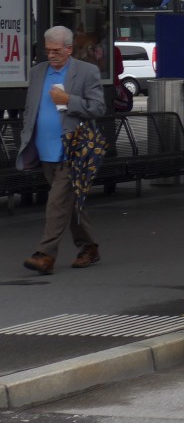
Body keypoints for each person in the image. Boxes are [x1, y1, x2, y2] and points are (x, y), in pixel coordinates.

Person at [15, 25, 106, 275]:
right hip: (45, 152)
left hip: (73, 149)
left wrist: (70, 101)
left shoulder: (86, 71)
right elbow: (30, 109)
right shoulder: (37, 72)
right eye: (48, 51)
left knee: (56, 203)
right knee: (71, 203)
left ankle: (45, 254)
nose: (51, 55)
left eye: (56, 51)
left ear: (69, 49)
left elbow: (98, 108)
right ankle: (89, 247)